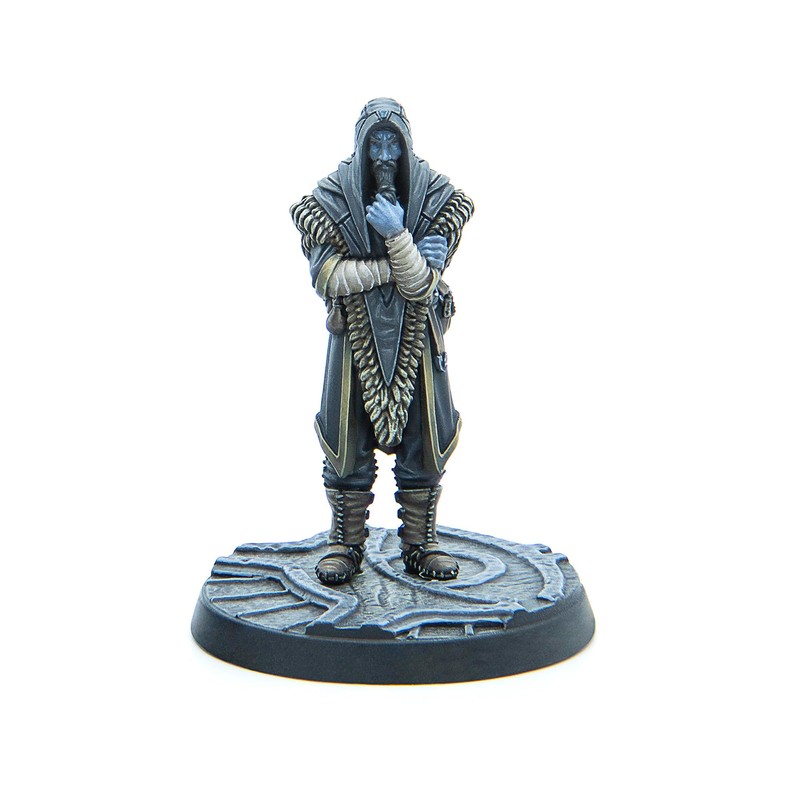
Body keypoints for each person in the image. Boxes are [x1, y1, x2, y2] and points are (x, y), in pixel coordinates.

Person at [290, 98, 473, 586]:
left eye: (394, 143)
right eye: (377, 143)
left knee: (424, 436)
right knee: (346, 438)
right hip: (354, 335)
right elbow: (328, 277)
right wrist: (400, 252)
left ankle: (420, 541)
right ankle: (345, 541)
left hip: (417, 333)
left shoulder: (434, 197)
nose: (386, 155)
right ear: (362, 146)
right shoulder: (331, 198)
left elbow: (420, 287)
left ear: (407, 146)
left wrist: (400, 244)